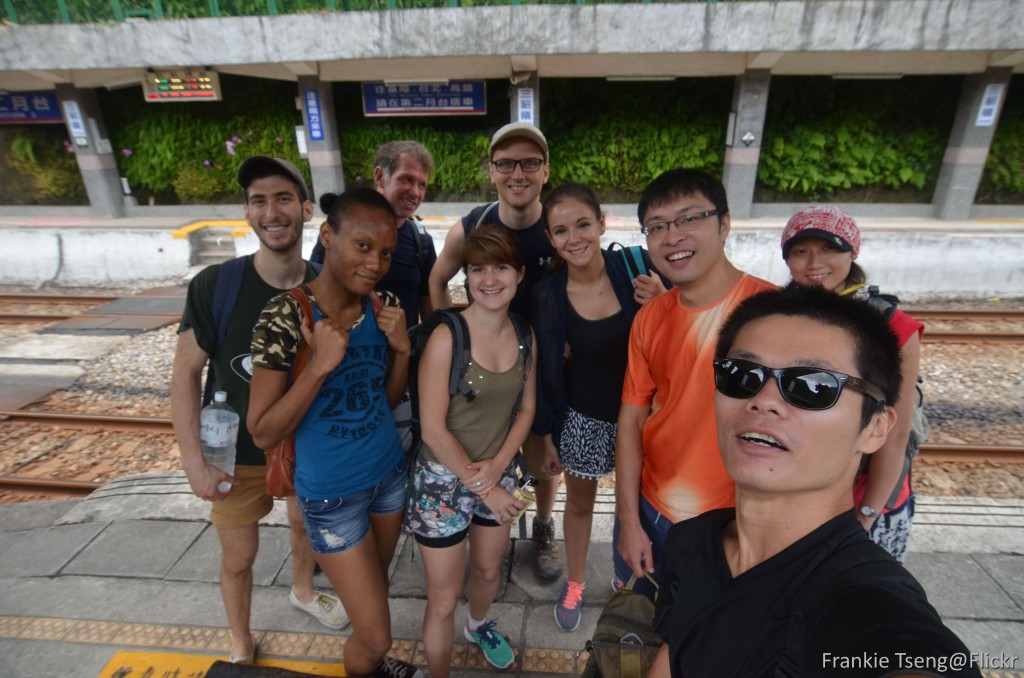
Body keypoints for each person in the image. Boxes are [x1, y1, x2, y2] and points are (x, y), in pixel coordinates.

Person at [649, 283, 978, 678]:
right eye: (742, 375)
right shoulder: (690, 542)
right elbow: (675, 652)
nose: (763, 399)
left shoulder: (863, 599)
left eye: (812, 386)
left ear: (875, 428)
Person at [170, 156, 348, 665]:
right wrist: (193, 461)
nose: (272, 211)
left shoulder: (327, 285)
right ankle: (240, 639)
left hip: (304, 444)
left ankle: (303, 591)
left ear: (306, 209)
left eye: (283, 198)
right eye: (258, 200)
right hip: (233, 453)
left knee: (303, 526)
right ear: (247, 213)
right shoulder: (216, 286)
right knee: (239, 557)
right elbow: (185, 375)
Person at [246, 188, 419, 678]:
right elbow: (262, 431)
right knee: (375, 634)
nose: (375, 263)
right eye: (362, 246)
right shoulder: (286, 316)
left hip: (387, 477)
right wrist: (319, 367)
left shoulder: (383, 305)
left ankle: (374, 666)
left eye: (385, 253)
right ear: (328, 235)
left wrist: (402, 351)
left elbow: (381, 401)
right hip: (331, 500)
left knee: (376, 593)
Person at [614, 168, 775, 594]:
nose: (673, 236)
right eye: (657, 226)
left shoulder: (773, 314)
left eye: (690, 218)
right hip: (651, 513)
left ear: (724, 224)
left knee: (709, 652)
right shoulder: (651, 317)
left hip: (734, 526)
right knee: (639, 637)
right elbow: (630, 422)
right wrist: (628, 521)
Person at [530, 182, 667, 630]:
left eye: (583, 224)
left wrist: (666, 302)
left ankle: (629, 575)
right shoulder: (548, 294)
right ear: (551, 239)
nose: (575, 238)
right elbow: (546, 371)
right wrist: (548, 434)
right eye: (562, 230)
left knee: (643, 507)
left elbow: (684, 336)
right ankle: (574, 583)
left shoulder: (637, 268)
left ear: (602, 222)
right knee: (581, 506)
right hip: (585, 419)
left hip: (645, 418)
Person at [428, 121, 563, 580]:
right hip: (484, 368)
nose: (517, 173)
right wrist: (450, 339)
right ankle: (478, 521)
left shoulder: (559, 225)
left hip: (540, 367)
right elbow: (436, 279)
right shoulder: (473, 226)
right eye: (506, 164)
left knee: (544, 459)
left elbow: (589, 279)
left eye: (528, 163)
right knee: (471, 445)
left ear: (546, 170)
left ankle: (541, 525)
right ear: (491, 171)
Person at [406, 224, 537, 676]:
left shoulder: (525, 334)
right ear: (466, 276)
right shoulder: (448, 336)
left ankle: (478, 625)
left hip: (496, 474)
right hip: (441, 481)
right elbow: (433, 430)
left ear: (519, 274)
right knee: (442, 599)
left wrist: (500, 468)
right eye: (478, 269)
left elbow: (527, 408)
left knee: (486, 572)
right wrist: (486, 488)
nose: (489, 279)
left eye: (500, 267)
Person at [781, 205, 923, 562]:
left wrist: (866, 516)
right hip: (795, 491)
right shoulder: (778, 317)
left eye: (829, 248)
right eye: (800, 251)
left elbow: (894, 435)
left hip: (863, 499)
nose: (814, 262)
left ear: (851, 252)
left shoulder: (894, 327)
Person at [311, 140, 437, 327]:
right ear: (379, 177)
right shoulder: (342, 230)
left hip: (402, 350)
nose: (415, 193)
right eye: (407, 180)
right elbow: (315, 291)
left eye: (422, 185)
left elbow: (428, 308)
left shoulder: (422, 242)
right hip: (342, 349)